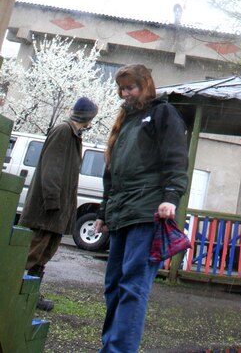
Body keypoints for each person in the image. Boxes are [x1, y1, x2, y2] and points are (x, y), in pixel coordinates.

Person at [94, 64, 188, 353]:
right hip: (122, 212)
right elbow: (112, 172)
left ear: (145, 85)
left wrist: (171, 197)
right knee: (114, 285)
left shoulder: (162, 113)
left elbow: (176, 158)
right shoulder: (126, 122)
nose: (125, 93)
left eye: (131, 87)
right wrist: (103, 212)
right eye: (122, 88)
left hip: (147, 211)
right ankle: (110, 346)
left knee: (133, 286)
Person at [20, 96, 99, 311]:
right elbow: (51, 168)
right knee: (33, 252)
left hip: (56, 209)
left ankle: (30, 294)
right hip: (47, 209)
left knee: (44, 253)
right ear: (88, 117)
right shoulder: (64, 131)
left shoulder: (74, 135)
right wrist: (53, 203)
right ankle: (13, 289)